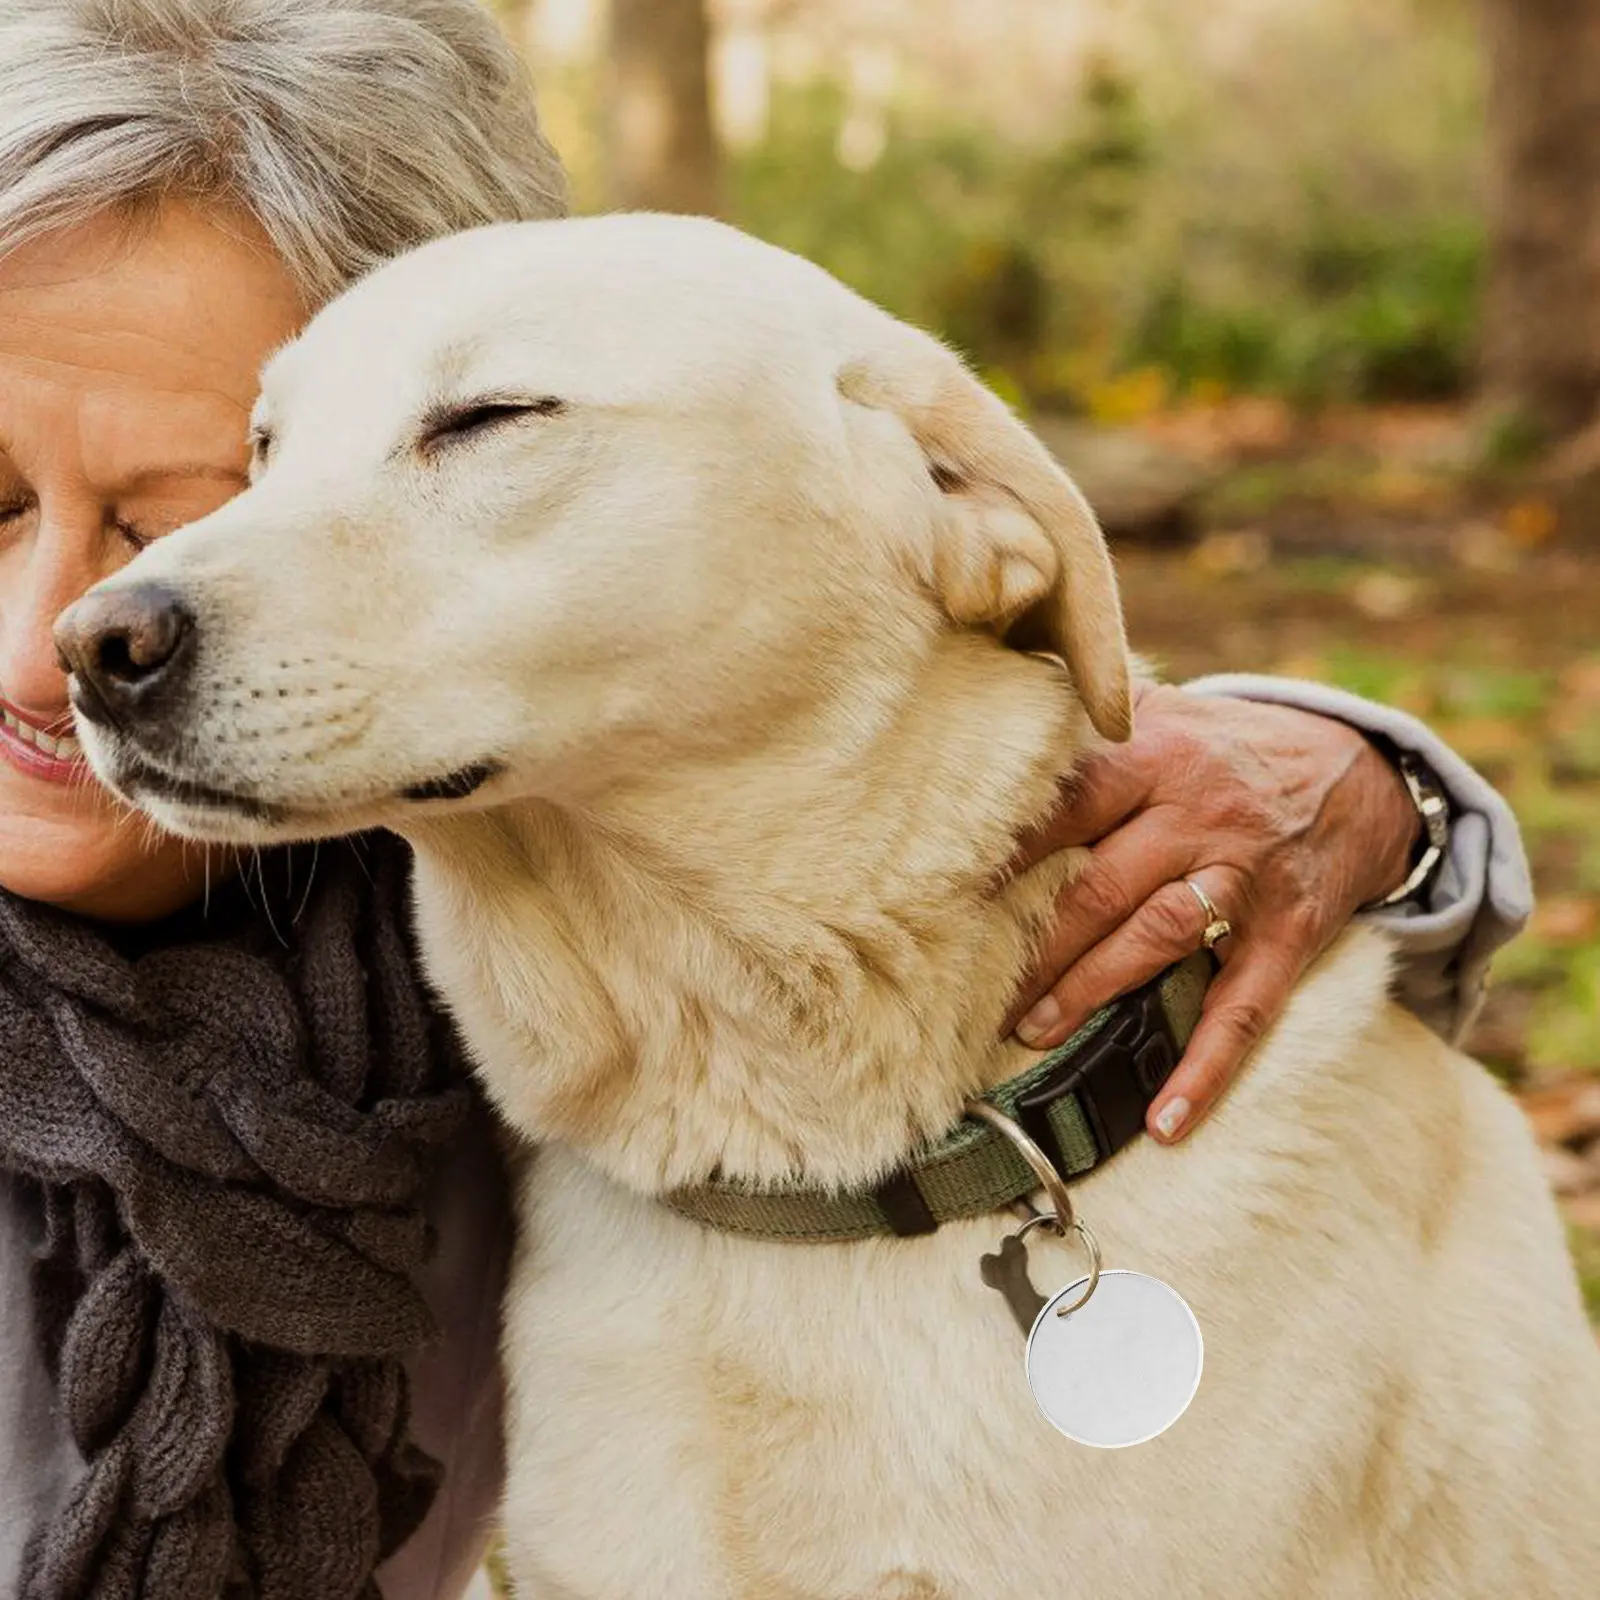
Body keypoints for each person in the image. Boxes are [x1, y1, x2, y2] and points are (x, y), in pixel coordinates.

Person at [0, 2, 1530, 1596]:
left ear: (960, 511)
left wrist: (1353, 777)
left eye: (184, 500)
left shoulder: (431, 927)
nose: (72, 633)